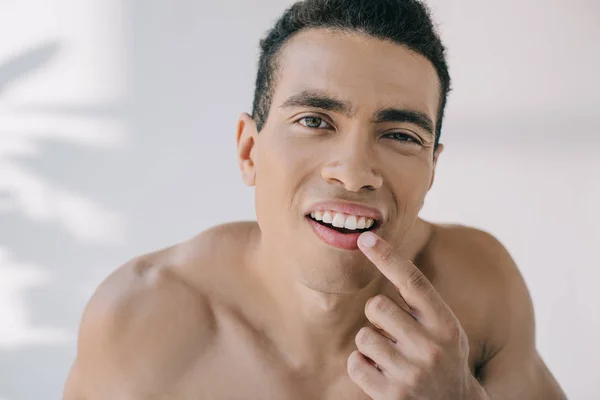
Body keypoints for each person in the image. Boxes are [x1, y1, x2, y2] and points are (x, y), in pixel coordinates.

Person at [63, 0, 567, 398]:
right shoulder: (137, 320)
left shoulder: (480, 289)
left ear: (432, 168)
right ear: (249, 150)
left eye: (400, 135)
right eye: (314, 121)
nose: (353, 173)